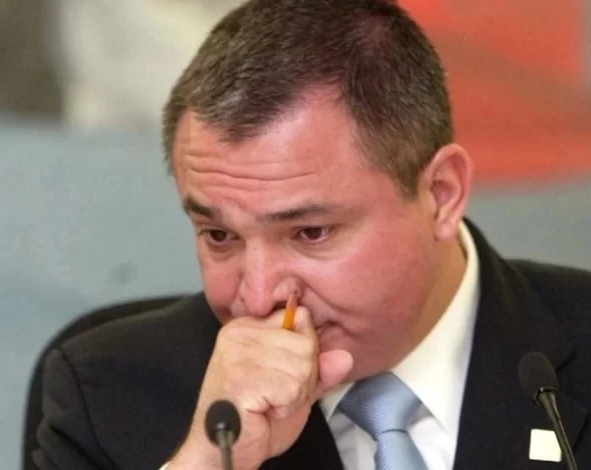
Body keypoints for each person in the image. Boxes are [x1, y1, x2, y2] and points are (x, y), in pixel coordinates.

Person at [32, 0, 591, 468]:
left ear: (441, 194)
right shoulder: (107, 396)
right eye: (219, 235)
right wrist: (209, 459)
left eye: (310, 232)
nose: (257, 297)